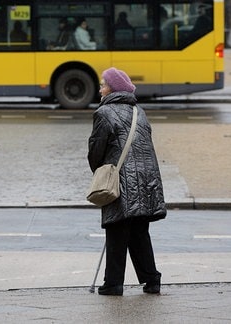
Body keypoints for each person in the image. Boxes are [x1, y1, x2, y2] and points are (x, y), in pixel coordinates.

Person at [87, 67, 167, 296]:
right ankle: (152, 280)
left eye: (103, 84)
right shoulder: (139, 112)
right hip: (146, 181)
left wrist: (102, 173)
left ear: (112, 88)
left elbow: (96, 150)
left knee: (116, 230)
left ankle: (113, 284)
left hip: (122, 180)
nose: (100, 89)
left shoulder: (104, 113)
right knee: (139, 232)